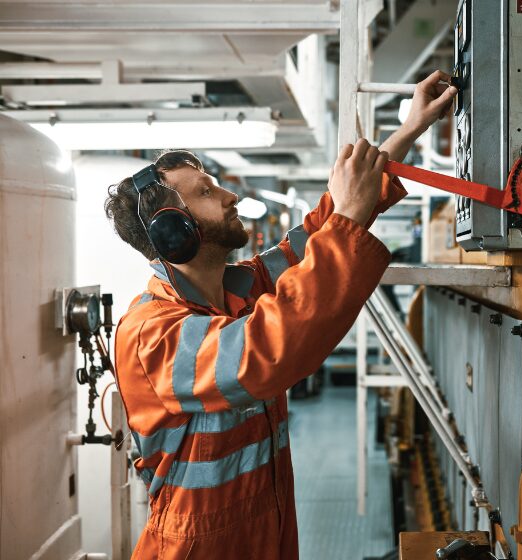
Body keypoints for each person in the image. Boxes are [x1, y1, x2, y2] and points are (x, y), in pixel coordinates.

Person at [104, 71, 457, 559]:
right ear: (173, 234)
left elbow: (317, 235)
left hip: (263, 528)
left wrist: (407, 131)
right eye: (207, 192)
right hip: (197, 546)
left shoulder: (239, 288)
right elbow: (264, 351)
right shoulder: (151, 333)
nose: (229, 196)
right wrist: (348, 221)